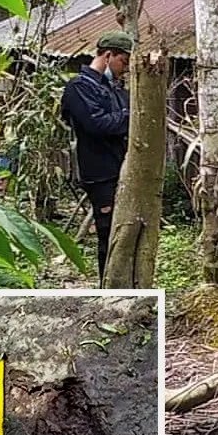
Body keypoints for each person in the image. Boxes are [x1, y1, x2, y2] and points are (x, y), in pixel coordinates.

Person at [61, 31, 134, 279]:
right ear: (108, 55)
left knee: (124, 230)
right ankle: (108, 286)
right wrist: (130, 116)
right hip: (99, 172)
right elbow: (99, 125)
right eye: (123, 62)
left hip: (120, 167)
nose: (125, 69)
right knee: (108, 232)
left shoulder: (113, 89)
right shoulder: (80, 87)